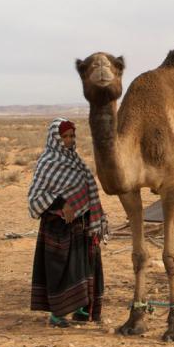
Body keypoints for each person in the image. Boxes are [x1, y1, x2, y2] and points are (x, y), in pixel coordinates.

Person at [28, 118, 108, 327]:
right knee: (61, 269)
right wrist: (62, 203)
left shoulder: (76, 160)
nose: (70, 140)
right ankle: (57, 314)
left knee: (82, 266)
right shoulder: (47, 162)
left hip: (81, 224)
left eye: (72, 136)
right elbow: (35, 197)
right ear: (56, 138)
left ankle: (81, 309)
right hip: (58, 226)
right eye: (65, 136)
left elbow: (87, 187)